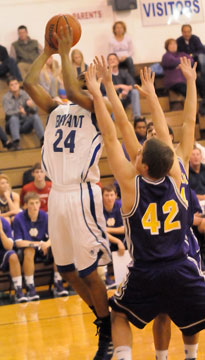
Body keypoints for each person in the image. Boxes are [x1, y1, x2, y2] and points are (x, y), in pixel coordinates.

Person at [85, 58, 205, 360]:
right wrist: (182, 85)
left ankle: (124, 356)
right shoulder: (179, 173)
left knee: (119, 314)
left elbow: (114, 133)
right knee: (190, 313)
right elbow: (185, 124)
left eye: (139, 151)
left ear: (144, 164)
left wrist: (101, 93)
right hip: (182, 264)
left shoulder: (129, 184)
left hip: (147, 270)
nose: (136, 150)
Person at [23, 25, 113, 360]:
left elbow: (73, 90)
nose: (83, 80)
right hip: (58, 194)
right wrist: (47, 51)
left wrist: (64, 49)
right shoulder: (58, 109)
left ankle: (108, 334)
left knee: (89, 270)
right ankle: (105, 317)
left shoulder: (96, 107)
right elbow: (32, 83)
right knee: (66, 270)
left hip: (82, 193)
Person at [13, 192, 68, 300]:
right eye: (31, 203)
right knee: (29, 250)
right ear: (25, 205)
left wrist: (47, 244)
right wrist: (39, 244)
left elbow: (55, 236)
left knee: (58, 247)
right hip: (26, 251)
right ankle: (30, 287)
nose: (34, 206)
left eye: (37, 203)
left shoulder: (45, 216)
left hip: (44, 248)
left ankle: (58, 283)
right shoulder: (19, 218)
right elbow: (18, 242)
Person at [2, 77, 44, 150]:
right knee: (14, 118)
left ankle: (43, 140)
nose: (14, 86)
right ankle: (16, 143)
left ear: (19, 84)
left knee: (35, 116)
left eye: (16, 84)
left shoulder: (25, 94)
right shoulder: (6, 97)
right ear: (9, 87)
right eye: (12, 85)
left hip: (25, 123)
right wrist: (19, 111)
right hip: (11, 126)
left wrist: (32, 106)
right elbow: (8, 112)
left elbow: (35, 110)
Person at [177, 24, 205, 115]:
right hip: (187, 65)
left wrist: (192, 55)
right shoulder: (178, 41)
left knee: (201, 57)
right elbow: (179, 54)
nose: (186, 33)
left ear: (191, 32)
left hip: (196, 63)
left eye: (188, 31)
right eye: (184, 32)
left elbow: (201, 50)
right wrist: (189, 57)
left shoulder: (195, 39)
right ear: (182, 32)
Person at [0, 216, 27, 303]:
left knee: (13, 256)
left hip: (2, 253)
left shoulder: (4, 222)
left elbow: (9, 246)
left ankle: (18, 291)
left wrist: (0, 231)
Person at [107, 53, 141, 120]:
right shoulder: (107, 74)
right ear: (108, 62)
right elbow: (107, 87)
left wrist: (127, 89)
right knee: (111, 95)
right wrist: (120, 86)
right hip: (114, 98)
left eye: (114, 59)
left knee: (135, 92)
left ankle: (137, 117)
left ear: (118, 61)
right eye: (110, 59)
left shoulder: (124, 72)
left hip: (125, 96)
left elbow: (133, 84)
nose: (112, 61)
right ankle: (114, 119)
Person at [102, 184, 125, 286]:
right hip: (107, 239)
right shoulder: (98, 209)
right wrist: (117, 241)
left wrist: (107, 229)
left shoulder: (121, 205)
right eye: (106, 195)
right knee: (101, 243)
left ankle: (127, 275)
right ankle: (105, 277)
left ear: (116, 195)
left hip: (122, 237)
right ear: (102, 196)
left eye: (111, 195)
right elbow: (100, 232)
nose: (109, 198)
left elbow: (125, 229)